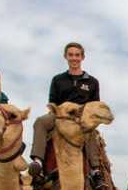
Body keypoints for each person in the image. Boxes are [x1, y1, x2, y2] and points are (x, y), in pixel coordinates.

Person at [29, 42, 102, 179]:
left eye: (77, 55)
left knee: (91, 128)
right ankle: (38, 161)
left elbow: (95, 106)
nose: (74, 58)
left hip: (81, 119)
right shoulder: (57, 80)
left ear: (82, 57)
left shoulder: (93, 82)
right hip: (60, 116)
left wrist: (87, 118)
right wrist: (58, 113)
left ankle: (95, 168)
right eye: (71, 55)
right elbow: (52, 102)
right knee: (40, 122)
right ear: (65, 57)